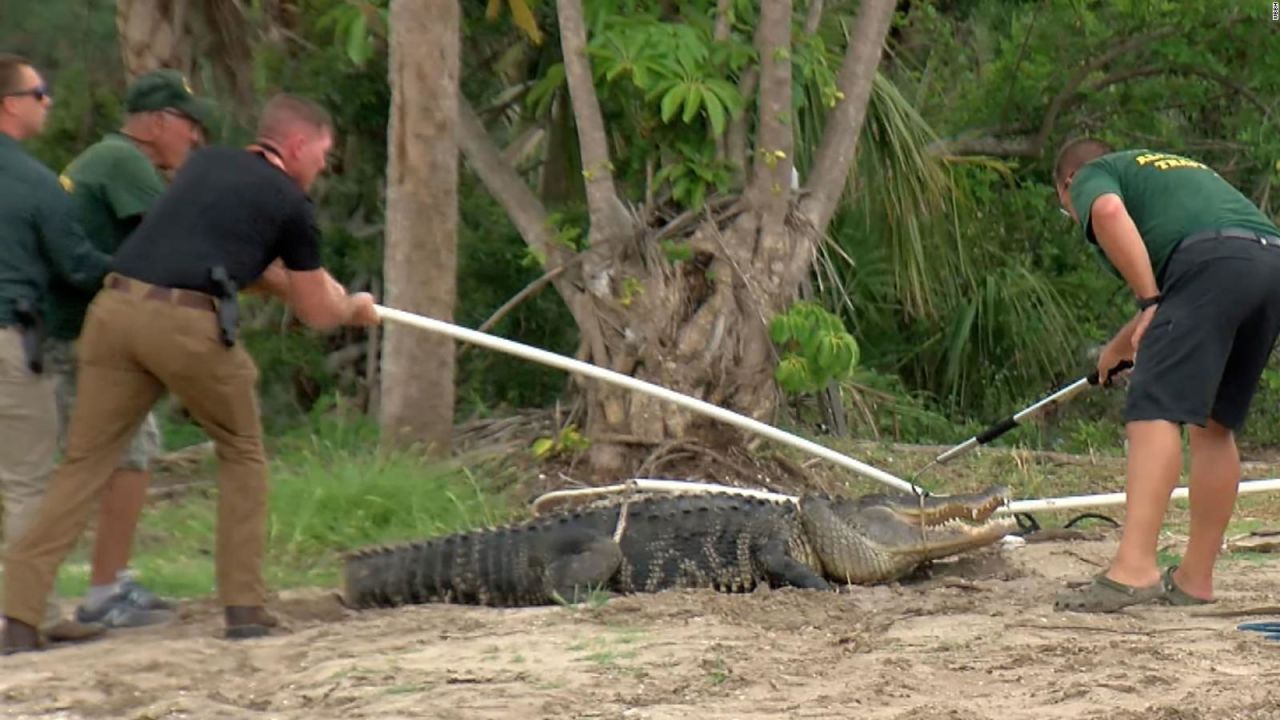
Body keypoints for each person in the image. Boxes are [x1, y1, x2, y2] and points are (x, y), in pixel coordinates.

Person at [1, 92, 380, 654]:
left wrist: (291, 282)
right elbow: (319, 313)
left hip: (115, 312)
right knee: (242, 450)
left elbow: (218, 251)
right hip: (183, 325)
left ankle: (17, 616)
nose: (324, 166)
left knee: (83, 464)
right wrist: (356, 308)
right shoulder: (290, 203)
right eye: (323, 153)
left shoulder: (204, 165)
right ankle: (245, 607)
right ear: (296, 145)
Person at [1050, 138, 1280, 613]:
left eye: (1067, 211)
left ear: (1068, 184)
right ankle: (1195, 579)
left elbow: (1110, 214)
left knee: (1154, 408)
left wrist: (1149, 302)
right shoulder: (1171, 172)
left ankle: (1133, 570)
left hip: (1212, 265)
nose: (1075, 217)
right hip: (1267, 263)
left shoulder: (1095, 173)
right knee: (1215, 425)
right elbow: (1192, 277)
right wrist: (1118, 348)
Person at [46, 69, 218, 629]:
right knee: (130, 453)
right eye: (190, 125)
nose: (195, 138)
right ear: (160, 122)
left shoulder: (101, 159)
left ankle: (104, 583)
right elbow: (173, 241)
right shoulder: (124, 162)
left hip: (72, 332)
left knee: (113, 456)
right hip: (84, 337)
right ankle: (105, 590)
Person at [0, 54, 115, 649]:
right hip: (10, 342)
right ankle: (28, 615)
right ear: (10, 103)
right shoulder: (33, 180)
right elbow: (77, 266)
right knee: (25, 483)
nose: (48, 102)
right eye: (39, 93)